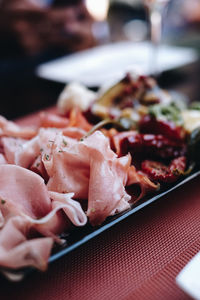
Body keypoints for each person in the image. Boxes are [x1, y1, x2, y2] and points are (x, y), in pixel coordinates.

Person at [0, 0, 96, 57]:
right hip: (24, 65)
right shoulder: (15, 8)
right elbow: (28, 45)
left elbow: (90, 28)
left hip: (71, 58)